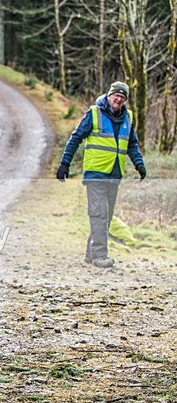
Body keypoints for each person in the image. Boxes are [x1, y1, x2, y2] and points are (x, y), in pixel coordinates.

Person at [57, 81, 146, 268]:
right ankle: (99, 256)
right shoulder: (94, 113)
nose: (119, 99)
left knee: (106, 215)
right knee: (99, 215)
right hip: (95, 174)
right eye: (116, 95)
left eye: (123, 97)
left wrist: (139, 163)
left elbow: (132, 144)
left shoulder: (128, 117)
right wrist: (65, 163)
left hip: (114, 174)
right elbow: (76, 138)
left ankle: (91, 253)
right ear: (109, 95)